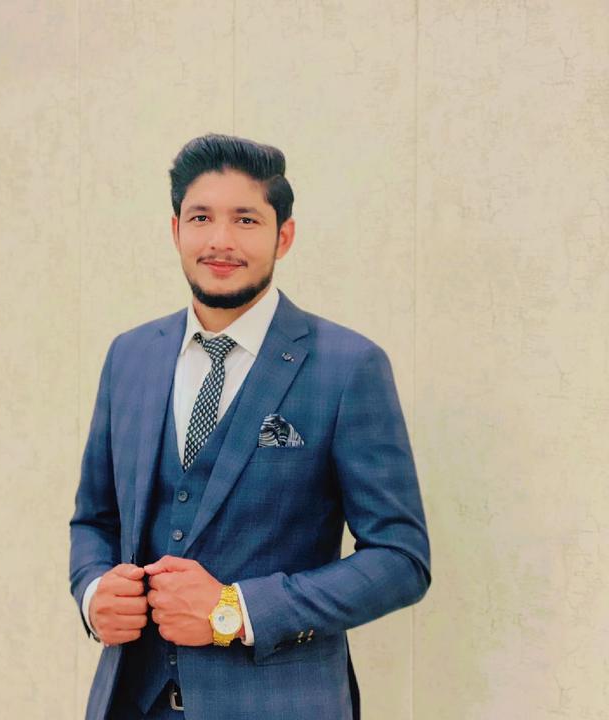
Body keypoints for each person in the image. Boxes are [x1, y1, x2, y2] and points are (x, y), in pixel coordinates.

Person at [69, 133, 431, 720]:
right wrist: (92, 594)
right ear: (175, 230)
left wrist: (235, 611)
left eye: (245, 219)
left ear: (283, 236)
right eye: (201, 218)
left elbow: (400, 559)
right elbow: (95, 518)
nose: (220, 239)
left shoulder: (347, 366)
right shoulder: (130, 356)